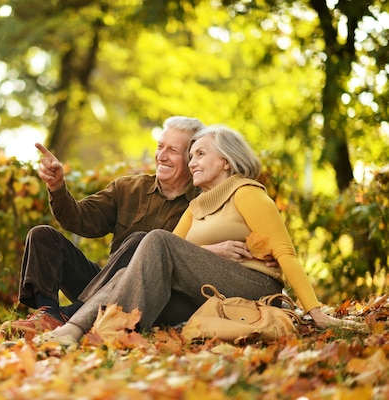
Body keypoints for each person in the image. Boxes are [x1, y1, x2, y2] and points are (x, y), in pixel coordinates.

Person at [36, 124, 356, 346]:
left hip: (253, 285)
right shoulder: (196, 206)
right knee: (143, 262)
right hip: (206, 291)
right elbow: (165, 253)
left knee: (156, 238)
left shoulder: (247, 193)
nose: (192, 162)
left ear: (227, 161)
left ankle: (76, 326)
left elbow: (285, 252)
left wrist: (316, 313)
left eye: (200, 154)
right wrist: (213, 251)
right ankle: (78, 329)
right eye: (191, 156)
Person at [1, 116, 205, 337]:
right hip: (105, 289)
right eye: (160, 146)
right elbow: (78, 219)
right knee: (42, 235)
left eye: (173, 150)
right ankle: (49, 315)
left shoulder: (204, 202)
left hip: (154, 300)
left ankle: (72, 315)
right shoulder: (128, 188)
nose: (161, 156)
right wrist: (57, 186)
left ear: (191, 158)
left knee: (143, 241)